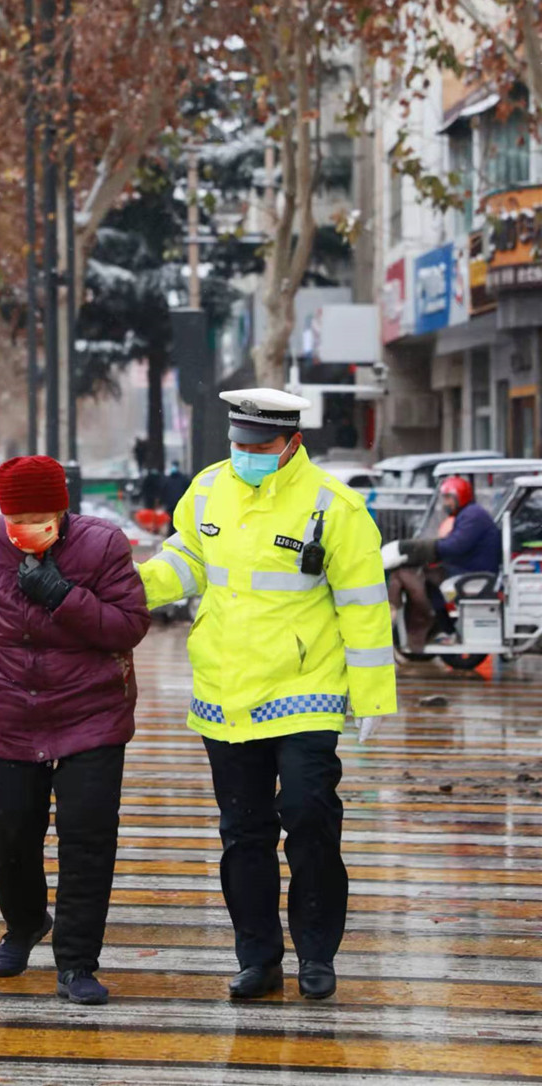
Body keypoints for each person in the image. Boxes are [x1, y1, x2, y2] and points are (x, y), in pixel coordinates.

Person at [139, 388, 396, 1002]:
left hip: (306, 689)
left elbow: (364, 606)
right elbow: (184, 563)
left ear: (291, 444)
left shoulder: (334, 506)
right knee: (244, 832)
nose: (246, 455)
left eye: (259, 446)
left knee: (309, 817)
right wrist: (123, 585)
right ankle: (258, 957)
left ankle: (316, 954)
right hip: (225, 690)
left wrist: (372, 698)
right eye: (238, 445)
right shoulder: (207, 488)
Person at [0, 455, 150, 1005]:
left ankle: (77, 961)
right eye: (18, 515)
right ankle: (24, 924)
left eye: (41, 514)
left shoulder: (103, 545)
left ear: (63, 509)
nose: (27, 525)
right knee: (9, 830)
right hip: (10, 709)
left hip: (92, 714)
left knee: (87, 839)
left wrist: (62, 595)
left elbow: (129, 627)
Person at [387, 475, 502, 646]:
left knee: (425, 578)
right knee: (429, 577)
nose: (445, 503)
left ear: (460, 496)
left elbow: (455, 546)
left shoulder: (473, 516)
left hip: (475, 573)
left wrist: (424, 548)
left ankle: (439, 627)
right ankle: (442, 628)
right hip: (468, 568)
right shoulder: (468, 514)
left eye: (448, 498)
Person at [160, 461, 191, 536]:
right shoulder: (181, 479)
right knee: (174, 521)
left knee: (175, 521)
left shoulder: (171, 479)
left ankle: (174, 534)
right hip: (174, 504)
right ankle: (174, 534)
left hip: (176, 504)